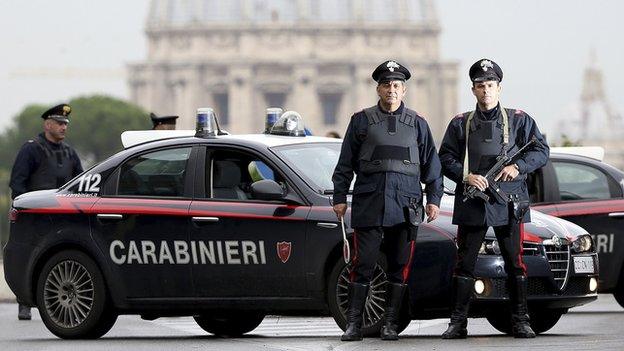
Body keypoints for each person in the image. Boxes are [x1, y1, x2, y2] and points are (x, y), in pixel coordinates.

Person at [332, 60, 443, 341]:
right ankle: (354, 324)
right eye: (386, 85)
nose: (391, 90)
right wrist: (339, 197)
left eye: (396, 85)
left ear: (404, 90)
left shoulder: (418, 123)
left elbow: (432, 165)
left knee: (398, 265)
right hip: (370, 202)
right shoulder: (361, 120)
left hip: (406, 206)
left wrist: (434, 199)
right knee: (363, 264)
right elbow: (345, 163)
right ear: (378, 89)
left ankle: (391, 323)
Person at [438, 59, 549, 339]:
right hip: (473, 201)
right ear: (473, 90)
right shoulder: (460, 123)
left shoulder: (520, 119)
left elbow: (541, 151)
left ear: (499, 88)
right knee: (465, 263)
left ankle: (520, 321)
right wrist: (465, 176)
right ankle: (458, 322)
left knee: (515, 262)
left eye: (490, 85)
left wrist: (518, 167)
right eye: (480, 86)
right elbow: (445, 158)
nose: (485, 91)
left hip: (509, 202)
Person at [9, 103, 83, 320]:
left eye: (65, 124)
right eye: (59, 123)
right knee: (29, 258)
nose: (63, 128)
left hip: (62, 218)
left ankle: (63, 302)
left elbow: (81, 184)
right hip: (34, 217)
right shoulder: (31, 149)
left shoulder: (70, 153)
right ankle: (25, 302)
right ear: (47, 124)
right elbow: (17, 184)